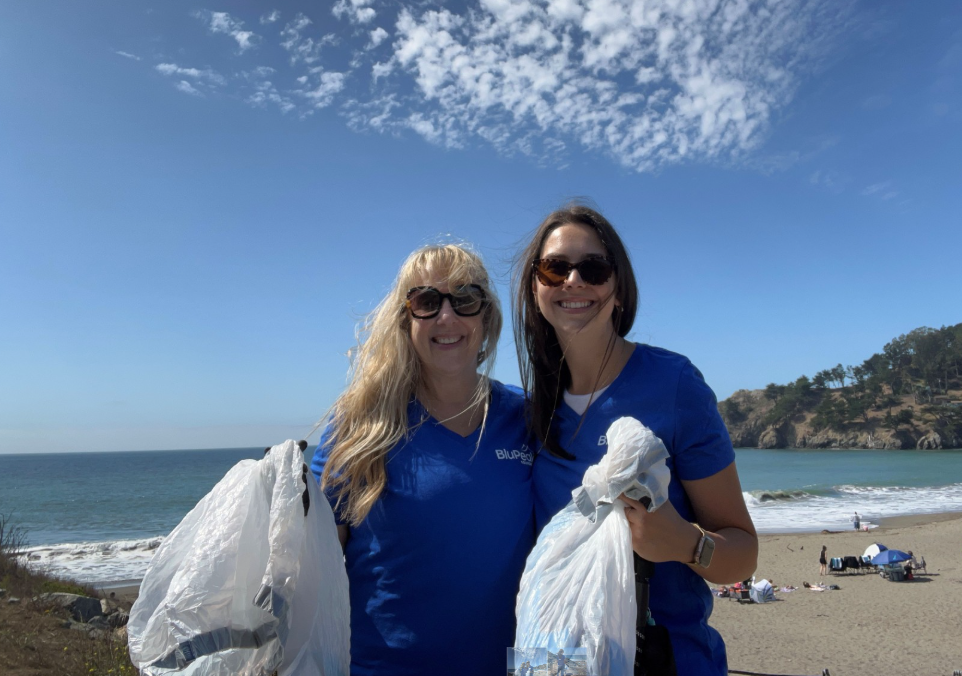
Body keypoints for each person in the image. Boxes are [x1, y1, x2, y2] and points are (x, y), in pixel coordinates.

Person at [514, 203, 758, 676]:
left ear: (619, 289)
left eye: (594, 267)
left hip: (667, 660)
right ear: (535, 288)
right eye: (554, 267)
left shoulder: (674, 384)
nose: (573, 281)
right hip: (557, 660)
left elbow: (743, 554)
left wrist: (686, 543)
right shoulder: (529, 410)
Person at [311, 244, 534, 676]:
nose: (446, 317)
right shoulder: (361, 424)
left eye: (465, 299)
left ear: (485, 317)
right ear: (405, 320)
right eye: (426, 302)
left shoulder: (529, 419)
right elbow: (310, 561)